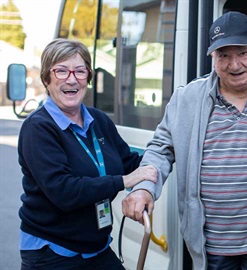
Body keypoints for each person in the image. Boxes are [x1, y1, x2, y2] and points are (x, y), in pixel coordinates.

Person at [122, 11, 247, 270]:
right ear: (213, 57)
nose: (234, 65)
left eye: (243, 53)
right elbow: (160, 150)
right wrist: (144, 188)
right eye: (223, 55)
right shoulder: (188, 97)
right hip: (210, 245)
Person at [18, 38, 158, 270]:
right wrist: (124, 182)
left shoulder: (98, 120)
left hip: (97, 248)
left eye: (80, 71)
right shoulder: (38, 128)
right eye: (61, 71)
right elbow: (64, 191)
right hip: (52, 252)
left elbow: (130, 162)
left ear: (88, 78)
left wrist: (169, 150)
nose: (71, 79)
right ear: (46, 78)